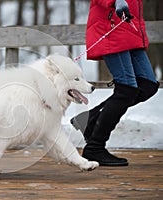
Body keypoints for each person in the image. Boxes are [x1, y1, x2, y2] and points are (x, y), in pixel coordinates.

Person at [70, 0, 159, 166]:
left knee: (148, 85)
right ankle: (95, 147)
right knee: (127, 90)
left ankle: (89, 119)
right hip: (112, 29)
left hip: (131, 28)